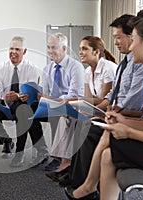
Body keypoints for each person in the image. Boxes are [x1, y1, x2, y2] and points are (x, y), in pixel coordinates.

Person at [63, 14, 143, 194]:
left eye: (119, 37)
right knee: (82, 123)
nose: (116, 42)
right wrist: (105, 107)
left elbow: (134, 103)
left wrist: (111, 110)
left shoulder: (140, 64)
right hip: (119, 113)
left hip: (130, 116)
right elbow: (113, 94)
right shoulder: (124, 63)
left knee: (88, 128)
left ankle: (82, 185)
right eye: (115, 38)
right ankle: (76, 178)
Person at [98, 9, 143, 200]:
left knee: (112, 146)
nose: (131, 47)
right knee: (108, 153)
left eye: (134, 40)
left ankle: (88, 188)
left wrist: (128, 132)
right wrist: (123, 121)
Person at [45, 36, 117, 182]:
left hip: (108, 111)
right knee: (66, 115)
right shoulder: (87, 72)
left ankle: (69, 166)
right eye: (80, 49)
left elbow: (103, 101)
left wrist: (75, 102)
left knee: (74, 115)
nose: (81, 52)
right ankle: (65, 163)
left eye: (85, 49)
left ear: (96, 52)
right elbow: (88, 98)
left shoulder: (108, 68)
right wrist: (75, 105)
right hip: (96, 108)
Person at [0, 36, 48, 167]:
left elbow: (30, 95)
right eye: (11, 48)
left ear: (24, 51)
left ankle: (20, 152)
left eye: (17, 49)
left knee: (23, 109)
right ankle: (6, 140)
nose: (13, 52)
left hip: (24, 105)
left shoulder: (32, 68)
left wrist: (19, 96)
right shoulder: (0, 69)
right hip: (5, 105)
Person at [41, 32, 85, 171]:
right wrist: (47, 99)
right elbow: (45, 93)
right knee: (26, 111)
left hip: (72, 103)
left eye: (53, 47)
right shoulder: (47, 69)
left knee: (58, 113)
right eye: (48, 47)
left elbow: (75, 93)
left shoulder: (75, 66)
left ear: (64, 48)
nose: (50, 51)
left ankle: (58, 157)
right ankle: (43, 151)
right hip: (53, 104)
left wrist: (57, 101)